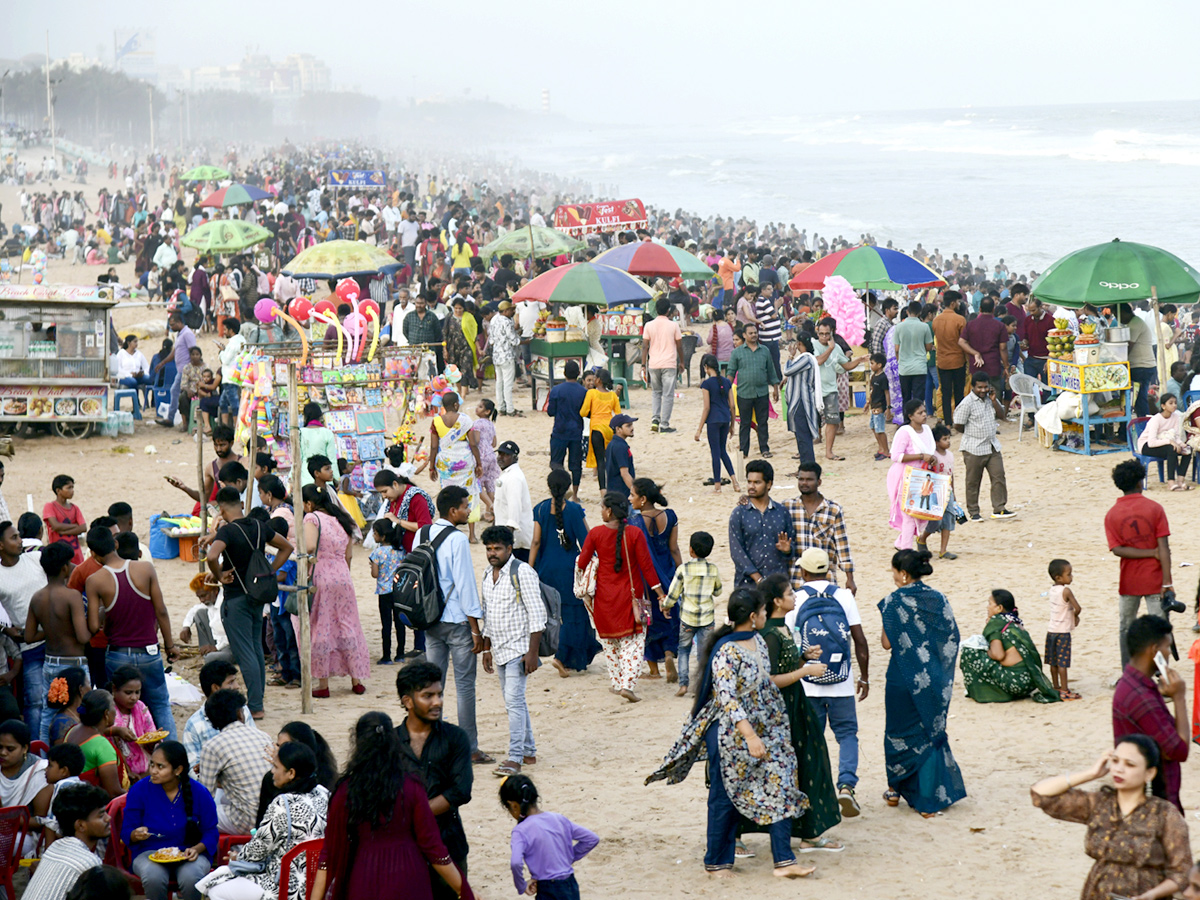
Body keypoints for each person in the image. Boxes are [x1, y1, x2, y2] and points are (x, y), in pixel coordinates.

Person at [646, 589, 814, 879]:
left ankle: (784, 861)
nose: (765, 616)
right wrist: (749, 736)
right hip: (730, 732)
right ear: (752, 617)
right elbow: (727, 698)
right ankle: (717, 863)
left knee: (783, 780)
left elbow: (765, 683)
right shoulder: (726, 650)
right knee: (725, 794)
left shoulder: (758, 641)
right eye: (762, 612)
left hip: (766, 728)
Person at [313, 712, 474, 900]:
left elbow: (329, 855)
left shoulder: (345, 791)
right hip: (409, 877)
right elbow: (434, 848)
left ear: (357, 743)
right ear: (393, 742)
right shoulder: (412, 788)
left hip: (364, 876)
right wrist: (463, 889)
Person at [1031, 735, 1191, 900]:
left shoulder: (1164, 814)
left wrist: (1151, 895)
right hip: (1098, 894)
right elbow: (1040, 794)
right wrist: (1091, 773)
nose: (1119, 769)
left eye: (1129, 764)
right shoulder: (1099, 804)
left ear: (1149, 773)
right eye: (1115, 761)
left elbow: (1181, 872)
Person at [748, 573, 842, 846]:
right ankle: (808, 835)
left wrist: (802, 657)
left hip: (795, 705)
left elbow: (783, 665)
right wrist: (805, 670)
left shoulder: (783, 629)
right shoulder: (770, 635)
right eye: (790, 593)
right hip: (783, 709)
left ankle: (808, 832)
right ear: (777, 601)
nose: (795, 597)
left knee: (809, 761)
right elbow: (770, 679)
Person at [878, 549, 966, 817]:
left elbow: (886, 643)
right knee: (928, 733)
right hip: (933, 678)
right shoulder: (939, 599)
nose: (892, 576)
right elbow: (951, 637)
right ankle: (928, 798)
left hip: (901, 678)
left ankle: (895, 789)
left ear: (903, 574)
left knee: (898, 732)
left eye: (894, 571)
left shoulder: (893, 602)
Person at [788, 547, 870, 819]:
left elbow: (791, 646)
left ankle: (813, 794)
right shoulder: (844, 596)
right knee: (847, 734)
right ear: (828, 569)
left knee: (812, 740)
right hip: (842, 680)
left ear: (803, 572)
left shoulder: (795, 599)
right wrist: (864, 677)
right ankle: (846, 785)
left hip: (808, 682)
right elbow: (859, 641)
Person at [196, 741, 328, 900]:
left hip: (285, 885)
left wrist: (237, 856)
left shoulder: (283, 803)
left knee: (216, 889)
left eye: (276, 767)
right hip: (320, 881)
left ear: (291, 773)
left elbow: (257, 851)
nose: (271, 771)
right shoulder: (324, 793)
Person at [83, 526, 178, 740]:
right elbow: (161, 610)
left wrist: (103, 615)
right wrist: (170, 645)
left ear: (93, 554)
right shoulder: (145, 569)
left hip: (117, 653)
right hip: (148, 651)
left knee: (119, 710)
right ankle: (173, 755)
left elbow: (93, 626)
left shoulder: (95, 580)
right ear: (115, 543)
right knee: (161, 705)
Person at [205, 488, 292, 718]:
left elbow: (212, 557)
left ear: (222, 509)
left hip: (236, 598)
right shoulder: (259, 526)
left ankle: (255, 706)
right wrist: (269, 571)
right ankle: (258, 700)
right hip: (256, 595)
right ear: (241, 503)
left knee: (245, 653)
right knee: (254, 649)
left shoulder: (227, 531)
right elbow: (287, 548)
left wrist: (219, 575)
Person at [575, 492, 666, 703]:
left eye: (602, 508)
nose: (601, 511)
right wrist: (660, 594)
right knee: (632, 644)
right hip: (630, 599)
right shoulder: (634, 533)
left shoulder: (596, 534)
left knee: (610, 643)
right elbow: (647, 567)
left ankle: (617, 684)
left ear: (609, 511)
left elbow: (582, 563)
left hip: (604, 600)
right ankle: (627, 685)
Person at [396, 662, 475, 900]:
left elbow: (461, 791)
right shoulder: (389, 743)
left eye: (439, 694)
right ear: (407, 701)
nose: (437, 702)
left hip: (448, 844)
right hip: (403, 848)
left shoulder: (456, 738)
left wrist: (416, 816)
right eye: (427, 696)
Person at [425, 486, 488, 763]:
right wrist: (476, 628)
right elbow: (465, 586)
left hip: (429, 617)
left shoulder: (422, 533)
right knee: (464, 685)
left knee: (432, 686)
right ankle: (469, 747)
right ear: (453, 511)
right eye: (465, 506)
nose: (468, 510)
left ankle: (429, 741)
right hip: (456, 620)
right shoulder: (457, 540)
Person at [479, 526, 545, 778]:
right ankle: (528, 751)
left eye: (497, 548)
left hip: (519, 648)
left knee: (514, 702)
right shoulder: (487, 574)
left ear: (509, 549)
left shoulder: (523, 572)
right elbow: (489, 615)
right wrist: (486, 648)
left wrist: (532, 653)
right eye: (489, 549)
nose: (492, 553)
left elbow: (537, 614)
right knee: (514, 702)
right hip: (499, 647)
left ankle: (515, 757)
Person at [1113, 615, 1190, 812]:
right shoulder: (1143, 698)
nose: (1168, 654)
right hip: (1155, 804)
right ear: (1155, 650)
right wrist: (1180, 698)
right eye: (1167, 648)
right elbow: (1179, 750)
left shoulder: (1132, 684)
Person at [123, 740, 217, 900]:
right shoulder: (139, 790)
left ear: (178, 770)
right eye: (152, 764)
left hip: (189, 853)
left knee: (191, 878)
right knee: (153, 877)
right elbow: (126, 830)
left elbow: (211, 831)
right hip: (148, 852)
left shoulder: (198, 791)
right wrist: (135, 834)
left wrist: (197, 849)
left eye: (160, 766)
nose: (153, 771)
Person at [301, 485, 370, 698]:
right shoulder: (341, 519)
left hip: (322, 574)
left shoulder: (312, 518)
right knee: (348, 625)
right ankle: (356, 679)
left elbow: (310, 547)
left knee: (322, 626)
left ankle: (323, 684)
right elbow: (348, 555)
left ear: (309, 503)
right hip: (343, 575)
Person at [529, 470, 599, 677]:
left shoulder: (540, 509)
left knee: (554, 614)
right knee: (574, 615)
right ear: (568, 486)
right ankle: (562, 657)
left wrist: (530, 568)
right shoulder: (574, 510)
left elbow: (535, 542)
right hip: (570, 569)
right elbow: (586, 541)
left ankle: (566, 658)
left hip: (546, 569)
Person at [1105, 459, 1174, 669]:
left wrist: (1145, 552)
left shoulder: (1112, 514)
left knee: (1126, 627)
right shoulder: (1155, 508)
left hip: (1129, 581)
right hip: (1155, 579)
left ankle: (1129, 671)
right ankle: (1162, 674)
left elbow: (1117, 549)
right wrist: (1167, 582)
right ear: (1140, 482)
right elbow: (1164, 547)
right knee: (1159, 631)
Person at [26, 541, 92, 743]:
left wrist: (52, 630)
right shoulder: (72, 596)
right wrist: (96, 622)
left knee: (48, 714)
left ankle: (45, 757)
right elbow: (83, 637)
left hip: (50, 663)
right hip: (74, 664)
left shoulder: (37, 598)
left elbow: (29, 636)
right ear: (65, 567)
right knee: (83, 712)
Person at [502, 774, 598, 900]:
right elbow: (591, 839)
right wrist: (567, 858)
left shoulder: (520, 830)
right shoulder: (558, 818)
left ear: (513, 805)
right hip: (570, 883)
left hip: (548, 887)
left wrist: (521, 886)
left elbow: (515, 863)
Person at [960, 589, 1061, 703]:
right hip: (1029, 683)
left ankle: (986, 692)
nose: (987, 607)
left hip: (1014, 682)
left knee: (969, 652)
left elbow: (998, 655)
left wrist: (984, 650)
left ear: (999, 608)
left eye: (990, 603)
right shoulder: (1015, 622)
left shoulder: (996, 622)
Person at [197, 688, 275, 835]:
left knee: (202, 814)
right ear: (240, 713)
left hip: (248, 820)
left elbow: (205, 795)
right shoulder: (263, 735)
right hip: (274, 815)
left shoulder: (212, 746)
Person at [23, 783, 110, 900]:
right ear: (80, 825)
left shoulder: (55, 847)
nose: (108, 818)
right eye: (101, 816)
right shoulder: (88, 863)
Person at [663, 531, 721, 698]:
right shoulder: (713, 569)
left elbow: (674, 593)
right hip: (707, 619)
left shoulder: (683, 569)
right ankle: (702, 685)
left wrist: (666, 606)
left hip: (687, 618)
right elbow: (718, 591)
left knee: (683, 650)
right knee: (704, 653)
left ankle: (683, 685)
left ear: (690, 550)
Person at [785, 461, 857, 593]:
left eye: (809, 480)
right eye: (801, 479)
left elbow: (842, 546)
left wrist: (850, 578)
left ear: (819, 482)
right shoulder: (787, 507)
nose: (804, 483)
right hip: (794, 581)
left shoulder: (833, 510)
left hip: (825, 581)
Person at [954, 372, 1015, 521]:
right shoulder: (966, 403)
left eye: (985, 387)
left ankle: (999, 508)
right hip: (973, 448)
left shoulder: (989, 400)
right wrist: (972, 435)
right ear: (973, 387)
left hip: (992, 445)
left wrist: (994, 401)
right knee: (973, 481)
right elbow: (958, 425)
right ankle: (974, 512)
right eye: (979, 387)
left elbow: (1002, 415)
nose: (983, 390)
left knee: (999, 476)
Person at [728, 460, 794, 587]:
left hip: (777, 584)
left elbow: (792, 546)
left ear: (769, 484)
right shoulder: (739, 513)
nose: (751, 487)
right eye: (749, 482)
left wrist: (787, 550)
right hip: (747, 585)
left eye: (757, 482)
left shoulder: (782, 513)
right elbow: (737, 551)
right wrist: (758, 579)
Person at [182, 659, 257, 770]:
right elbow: (193, 768)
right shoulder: (195, 725)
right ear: (216, 688)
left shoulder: (242, 710)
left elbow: (254, 744)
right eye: (231, 682)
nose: (237, 686)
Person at [429, 391, 483, 542]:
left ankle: (450, 531)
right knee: (470, 493)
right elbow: (473, 444)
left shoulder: (436, 422)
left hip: (446, 464)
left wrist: (432, 467)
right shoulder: (465, 420)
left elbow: (434, 447)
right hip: (464, 461)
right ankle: (472, 535)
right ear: (455, 404)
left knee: (448, 494)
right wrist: (479, 463)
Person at [886, 400, 937, 550]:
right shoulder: (904, 432)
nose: (924, 415)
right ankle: (906, 549)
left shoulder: (927, 429)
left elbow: (931, 450)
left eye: (924, 411)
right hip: (906, 477)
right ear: (910, 416)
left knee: (920, 513)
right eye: (919, 413)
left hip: (924, 476)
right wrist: (920, 456)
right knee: (909, 514)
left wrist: (931, 459)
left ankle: (901, 542)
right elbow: (896, 456)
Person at [814, 319, 866, 461]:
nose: (824, 337)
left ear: (831, 333)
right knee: (811, 420)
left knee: (832, 421)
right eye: (821, 334)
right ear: (817, 332)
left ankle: (829, 451)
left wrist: (859, 360)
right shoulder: (814, 345)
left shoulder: (837, 347)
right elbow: (818, 361)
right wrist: (830, 348)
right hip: (814, 390)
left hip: (831, 389)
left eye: (827, 334)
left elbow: (845, 366)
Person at [727, 322, 779, 458]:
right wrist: (726, 391)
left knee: (763, 422)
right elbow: (731, 372)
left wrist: (775, 388)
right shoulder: (737, 352)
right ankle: (744, 451)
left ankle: (764, 449)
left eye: (755, 332)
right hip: (744, 393)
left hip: (762, 392)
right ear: (744, 335)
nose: (754, 335)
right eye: (751, 333)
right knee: (745, 423)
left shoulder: (765, 351)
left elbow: (771, 371)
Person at [64, 690, 125, 796]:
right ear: (106, 714)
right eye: (113, 707)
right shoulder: (102, 745)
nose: (115, 711)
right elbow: (113, 792)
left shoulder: (72, 731)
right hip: (92, 804)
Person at [695, 353, 739, 491]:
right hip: (725, 418)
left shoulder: (706, 384)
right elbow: (732, 405)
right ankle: (735, 481)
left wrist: (699, 429)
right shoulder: (726, 382)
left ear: (706, 368)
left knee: (715, 453)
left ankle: (718, 485)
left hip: (713, 421)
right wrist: (732, 425)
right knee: (722, 451)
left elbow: (706, 407)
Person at [108, 665, 158, 778]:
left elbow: (150, 733)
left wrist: (153, 740)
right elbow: (97, 731)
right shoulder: (108, 710)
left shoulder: (140, 707)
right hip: (117, 766)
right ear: (115, 689)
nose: (134, 697)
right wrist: (115, 731)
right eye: (128, 692)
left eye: (137, 692)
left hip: (145, 764)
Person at [547, 360, 588, 497]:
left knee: (556, 462)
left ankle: (561, 488)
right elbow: (586, 413)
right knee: (576, 465)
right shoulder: (583, 392)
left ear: (564, 373)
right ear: (578, 374)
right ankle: (575, 495)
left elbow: (550, 411)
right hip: (576, 432)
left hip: (559, 430)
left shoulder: (556, 390)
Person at [370, 518, 408, 664]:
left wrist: (373, 566)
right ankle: (400, 654)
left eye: (375, 533)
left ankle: (386, 656)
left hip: (384, 592)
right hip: (398, 592)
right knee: (399, 624)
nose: (373, 536)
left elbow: (375, 574)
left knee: (386, 625)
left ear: (383, 536)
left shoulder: (377, 553)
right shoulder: (400, 551)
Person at [643, 297, 684, 433]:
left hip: (653, 363)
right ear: (668, 311)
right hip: (669, 363)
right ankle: (664, 424)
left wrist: (643, 364)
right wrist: (682, 362)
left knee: (656, 392)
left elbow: (644, 347)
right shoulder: (674, 326)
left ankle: (655, 420)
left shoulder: (648, 325)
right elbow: (679, 346)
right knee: (668, 394)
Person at [1138, 393, 1193, 489]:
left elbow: (1175, 436)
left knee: (1188, 450)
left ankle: (1180, 480)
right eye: (1170, 403)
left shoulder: (1175, 416)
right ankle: (1171, 482)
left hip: (1165, 442)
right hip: (1147, 445)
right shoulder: (1156, 419)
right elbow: (1151, 442)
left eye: (1175, 403)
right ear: (1163, 406)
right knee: (1171, 449)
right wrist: (1170, 442)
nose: (1174, 405)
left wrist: (1181, 444)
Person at [1046, 558, 1082, 700]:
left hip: (1051, 630)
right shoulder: (1066, 591)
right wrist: (1075, 616)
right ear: (1059, 577)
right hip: (1063, 632)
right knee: (1062, 663)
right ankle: (1065, 689)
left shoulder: (1052, 590)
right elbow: (1078, 608)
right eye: (1069, 574)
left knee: (1053, 662)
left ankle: (1056, 686)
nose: (1071, 577)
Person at [958, 297, 1009, 399]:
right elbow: (1003, 348)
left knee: (976, 394)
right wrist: (1006, 366)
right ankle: (995, 414)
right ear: (993, 310)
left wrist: (975, 353)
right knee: (995, 394)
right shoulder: (999, 326)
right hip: (993, 365)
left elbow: (961, 342)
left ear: (980, 309)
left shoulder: (971, 324)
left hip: (976, 366)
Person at [178, 573, 234, 664]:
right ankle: (206, 650)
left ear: (215, 591)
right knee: (199, 614)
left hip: (231, 646)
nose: (202, 600)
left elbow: (233, 635)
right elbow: (194, 610)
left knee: (210, 659)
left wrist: (216, 648)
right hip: (217, 642)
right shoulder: (211, 601)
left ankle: (210, 653)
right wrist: (186, 627)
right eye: (199, 597)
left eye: (204, 596)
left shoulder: (226, 604)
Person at [580, 370, 621, 491]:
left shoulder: (592, 393)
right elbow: (618, 415)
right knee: (610, 461)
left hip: (597, 428)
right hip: (609, 429)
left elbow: (583, 412)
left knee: (600, 462)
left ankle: (603, 491)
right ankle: (613, 487)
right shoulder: (613, 395)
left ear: (598, 380)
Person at [493, 441, 534, 561]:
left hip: (516, 541)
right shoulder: (507, 474)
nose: (500, 457)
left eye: (505, 455)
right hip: (509, 538)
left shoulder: (513, 478)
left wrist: (506, 541)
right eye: (499, 454)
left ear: (514, 457)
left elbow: (514, 509)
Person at [157, 310, 197, 429]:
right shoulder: (180, 334)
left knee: (174, 390)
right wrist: (163, 362)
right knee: (179, 393)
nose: (171, 327)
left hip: (186, 370)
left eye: (173, 324)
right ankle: (179, 418)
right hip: (180, 370)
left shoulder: (187, 334)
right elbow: (175, 351)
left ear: (179, 322)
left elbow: (193, 352)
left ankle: (171, 418)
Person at [892, 302, 933, 406]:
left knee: (906, 398)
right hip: (919, 367)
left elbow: (896, 349)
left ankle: (907, 419)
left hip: (904, 368)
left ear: (907, 312)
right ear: (919, 313)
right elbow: (928, 347)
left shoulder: (899, 327)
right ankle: (917, 420)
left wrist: (899, 361)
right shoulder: (924, 327)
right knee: (918, 398)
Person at [43, 474, 87, 565]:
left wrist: (63, 531)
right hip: (58, 554)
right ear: (58, 490)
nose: (72, 491)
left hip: (76, 554)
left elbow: (83, 527)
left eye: (72, 487)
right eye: (68, 488)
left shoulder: (75, 508)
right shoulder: (50, 506)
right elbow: (55, 525)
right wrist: (75, 526)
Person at [488, 300, 522, 416]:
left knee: (499, 383)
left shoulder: (493, 319)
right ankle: (510, 409)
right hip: (506, 355)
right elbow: (514, 341)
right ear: (506, 311)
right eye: (512, 310)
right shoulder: (507, 322)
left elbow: (492, 340)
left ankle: (501, 407)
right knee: (508, 384)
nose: (513, 312)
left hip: (497, 355)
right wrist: (521, 338)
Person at [297, 403, 339, 488]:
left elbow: (298, 459)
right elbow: (332, 459)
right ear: (320, 416)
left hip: (306, 478)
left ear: (305, 416)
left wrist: (292, 478)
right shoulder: (327, 433)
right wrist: (336, 478)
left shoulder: (300, 433)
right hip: (324, 478)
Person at [471, 400, 500, 516]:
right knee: (489, 483)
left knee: (476, 483)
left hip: (481, 455)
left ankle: (490, 506)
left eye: (480, 407)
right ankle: (489, 511)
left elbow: (476, 440)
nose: (477, 408)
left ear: (487, 411)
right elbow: (494, 443)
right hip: (491, 455)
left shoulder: (477, 423)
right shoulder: (490, 424)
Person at [46, 666, 88, 746]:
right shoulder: (61, 722)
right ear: (81, 689)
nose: (91, 688)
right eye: (88, 683)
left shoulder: (82, 713)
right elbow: (62, 754)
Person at [603, 415, 638, 498]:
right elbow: (624, 473)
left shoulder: (612, 444)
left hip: (614, 492)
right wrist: (636, 493)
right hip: (622, 494)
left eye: (632, 425)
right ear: (618, 429)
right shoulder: (620, 446)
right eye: (628, 426)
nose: (632, 428)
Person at [867, 352, 891, 460]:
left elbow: (887, 393)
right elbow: (872, 391)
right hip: (873, 406)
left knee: (880, 430)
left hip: (879, 407)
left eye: (872, 363)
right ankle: (881, 448)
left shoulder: (883, 378)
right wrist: (868, 403)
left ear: (879, 365)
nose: (871, 365)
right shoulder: (873, 377)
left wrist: (888, 408)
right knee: (873, 428)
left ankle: (886, 451)